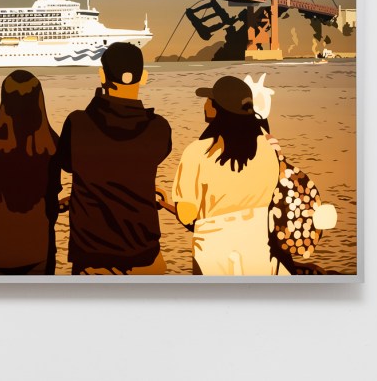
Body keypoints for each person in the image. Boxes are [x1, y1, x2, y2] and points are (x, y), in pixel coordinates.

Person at [60, 43, 172, 275]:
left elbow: (67, 164)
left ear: (102, 75)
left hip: (92, 257)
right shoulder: (159, 128)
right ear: (144, 77)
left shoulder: (77, 123)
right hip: (144, 253)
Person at [172, 74, 285, 276]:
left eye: (210, 100)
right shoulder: (268, 150)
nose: (205, 104)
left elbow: (187, 214)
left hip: (211, 251)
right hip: (257, 247)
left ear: (218, 108)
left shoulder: (197, 152)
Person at [0, 70, 61, 275]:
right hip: (36, 240)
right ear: (39, 100)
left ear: (4, 100)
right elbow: (52, 189)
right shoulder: (50, 142)